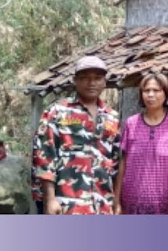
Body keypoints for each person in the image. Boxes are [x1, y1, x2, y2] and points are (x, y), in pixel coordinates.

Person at [32, 56, 120, 215]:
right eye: (85, 78)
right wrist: (49, 200)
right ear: (75, 81)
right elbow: (45, 157)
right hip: (66, 202)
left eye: (97, 78)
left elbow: (115, 163)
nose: (92, 83)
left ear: (105, 82)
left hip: (102, 203)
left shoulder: (112, 116)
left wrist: (115, 202)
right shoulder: (57, 111)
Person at [113, 73, 168, 214]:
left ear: (166, 93)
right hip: (132, 200)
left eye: (156, 90)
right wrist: (116, 200)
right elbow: (123, 163)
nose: (150, 95)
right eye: (146, 91)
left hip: (166, 201)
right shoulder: (131, 123)